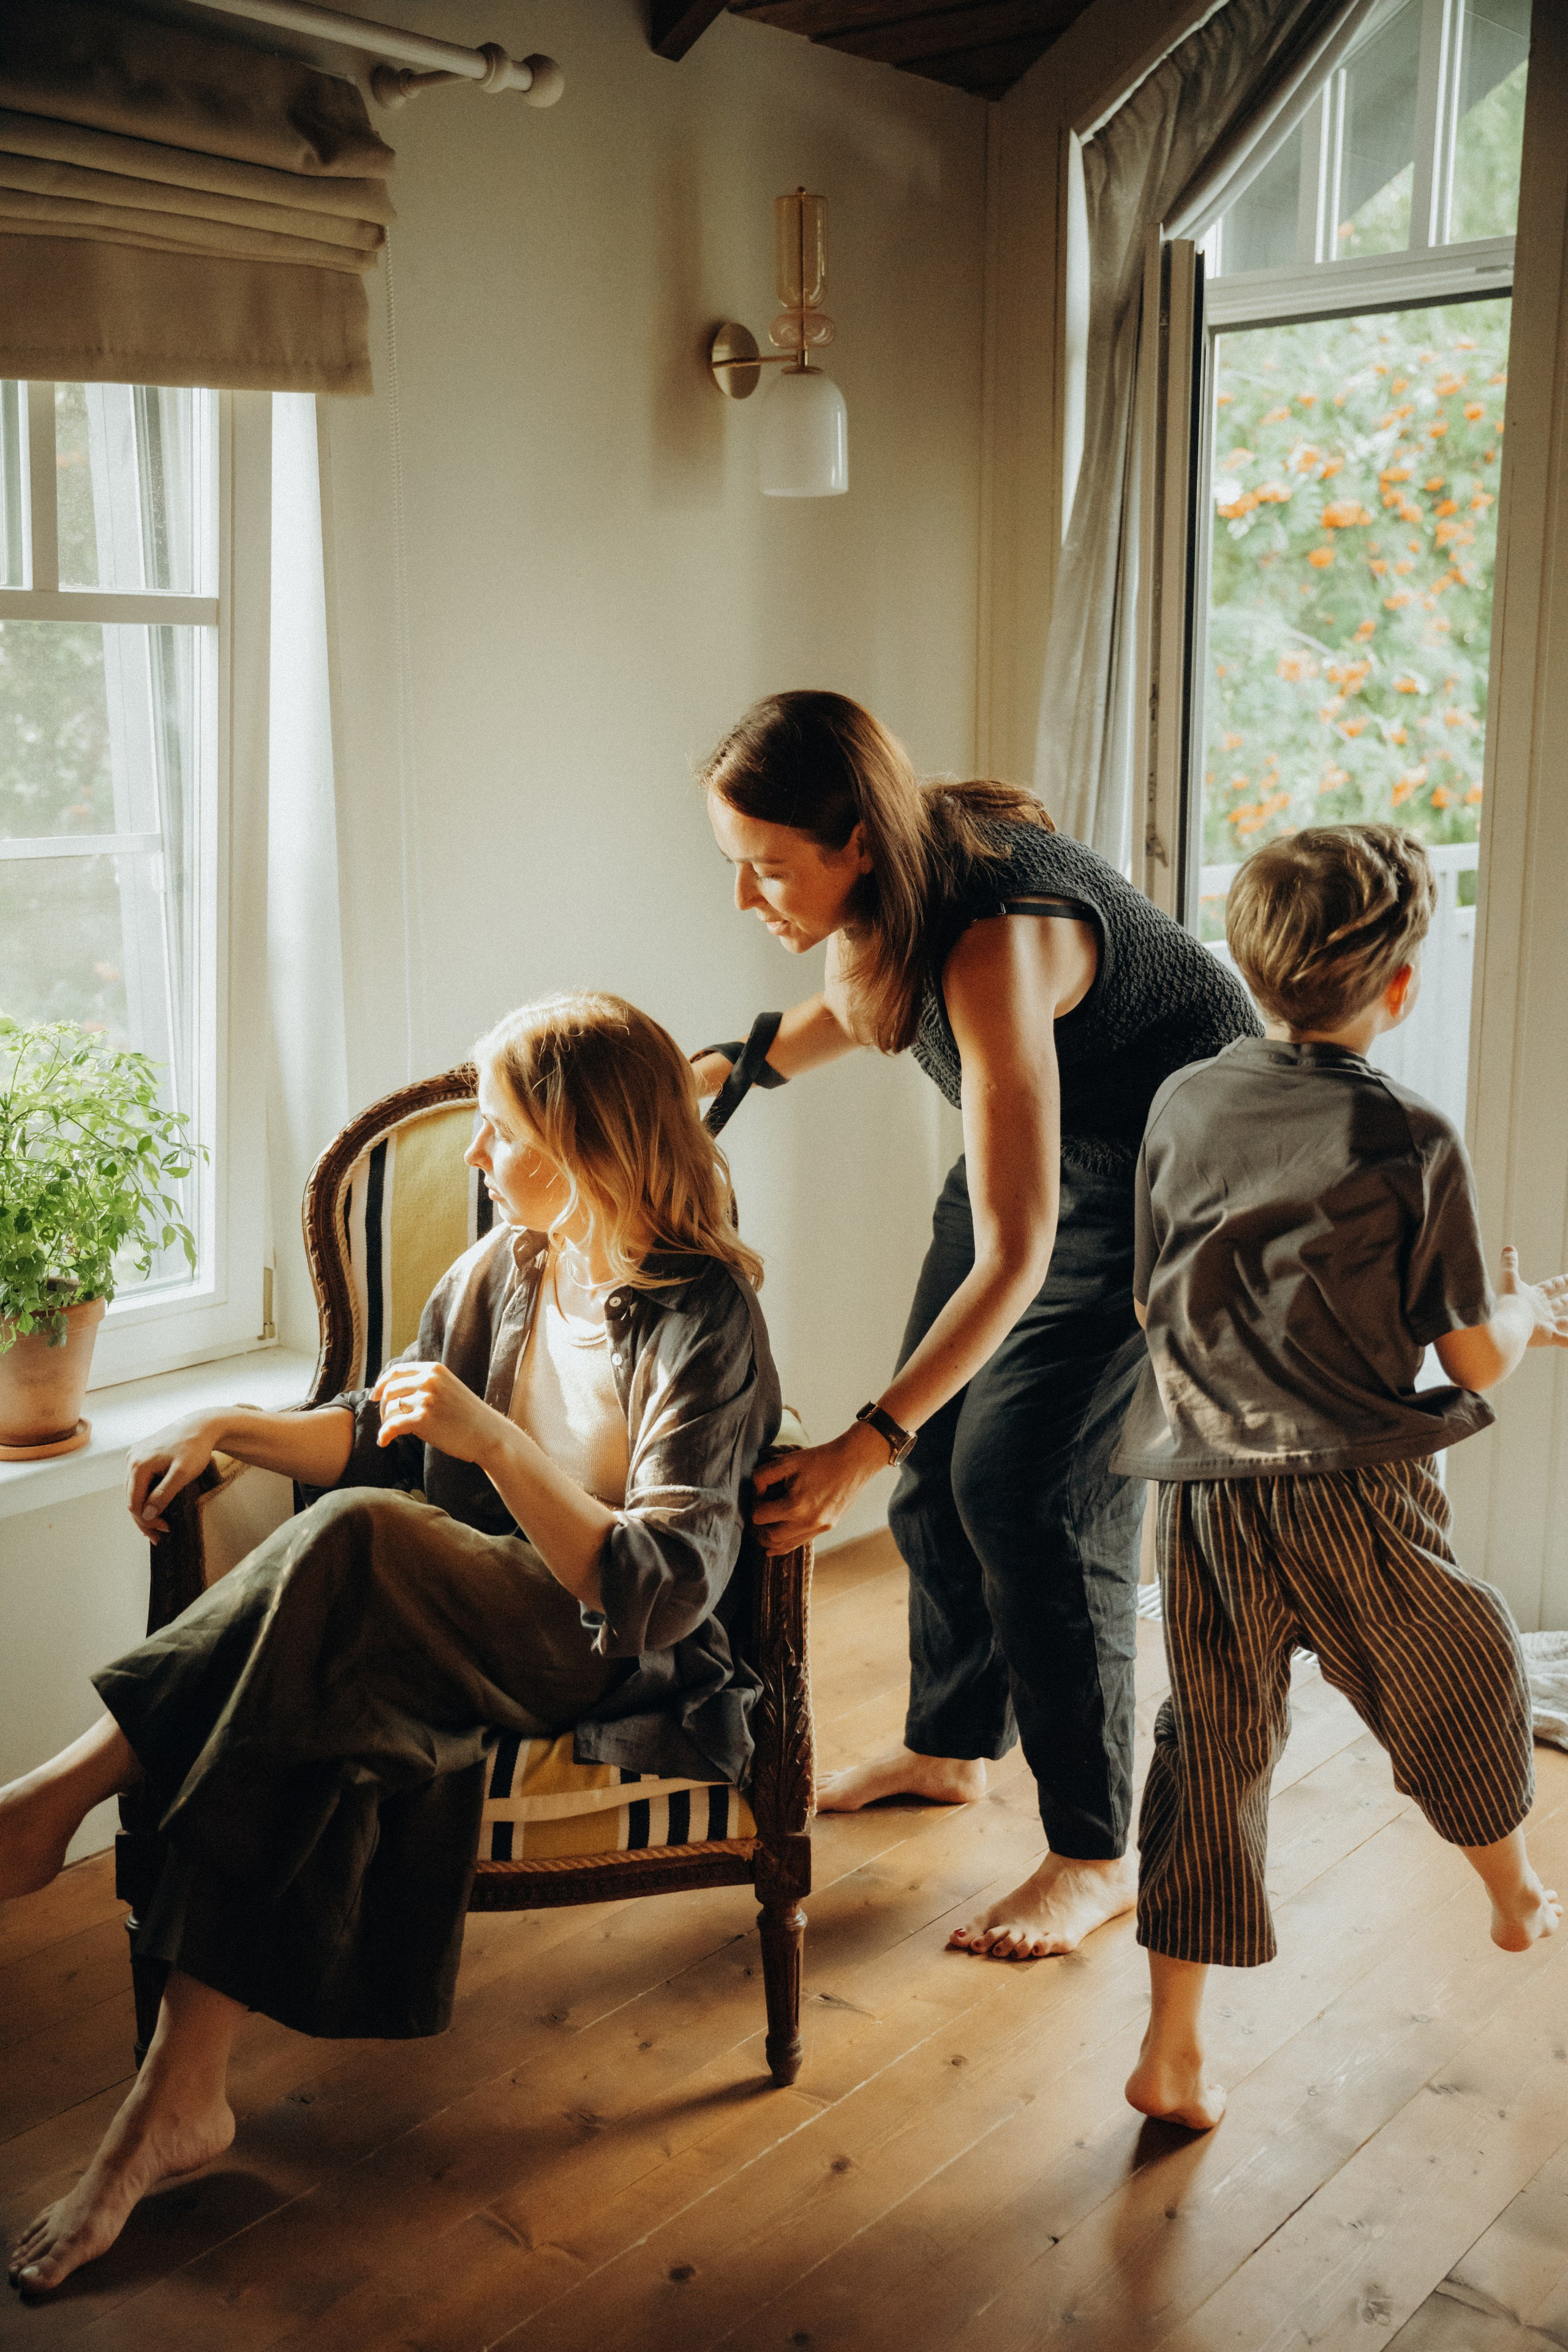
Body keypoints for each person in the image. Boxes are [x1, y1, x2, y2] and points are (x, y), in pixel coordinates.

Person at [2, 992, 779, 2296]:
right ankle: (177, 2104)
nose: (473, 1157)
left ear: (586, 1140)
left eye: (497, 1129)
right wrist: (235, 1427)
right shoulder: (506, 1269)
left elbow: (662, 1592)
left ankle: (57, 1797)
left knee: (362, 1538)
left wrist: (492, 1442)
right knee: (332, 1640)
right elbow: (374, 1426)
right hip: (449, 1615)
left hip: (595, 1645)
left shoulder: (708, 1323)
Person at [693, 690, 1259, 1961]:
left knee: (1023, 1491)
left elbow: (1016, 1254)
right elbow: (849, 1012)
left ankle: (1094, 1853)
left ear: (852, 847)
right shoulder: (900, 882)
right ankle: (949, 1750)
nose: (745, 900)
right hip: (1054, 1159)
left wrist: (858, 1438)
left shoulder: (992, 942)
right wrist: (700, 1077)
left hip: (1175, 1180)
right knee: (939, 1474)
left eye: (765, 870)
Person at [1114, 825, 1567, 2133]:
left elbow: (1152, 1293)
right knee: (1462, 1665)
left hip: (1196, 1486)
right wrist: (1527, 1311)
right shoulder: (1403, 1131)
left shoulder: (1182, 1101)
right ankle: (1509, 1889)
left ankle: (1171, 2049)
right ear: (1400, 985)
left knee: (1209, 1745)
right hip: (1348, 1487)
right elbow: (1467, 1346)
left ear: (1245, 968)